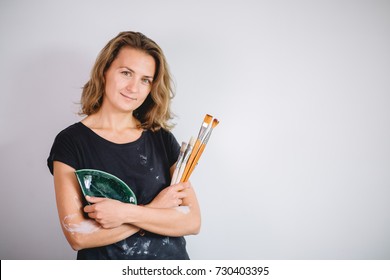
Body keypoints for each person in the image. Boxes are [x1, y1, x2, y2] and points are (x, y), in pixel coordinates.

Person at [47, 31, 201, 260]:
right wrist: (155, 209)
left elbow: (192, 221)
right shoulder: (71, 143)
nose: (133, 88)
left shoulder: (162, 139)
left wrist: (124, 213)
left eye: (145, 80)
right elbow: (78, 237)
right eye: (126, 73)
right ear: (104, 72)